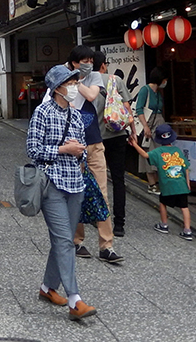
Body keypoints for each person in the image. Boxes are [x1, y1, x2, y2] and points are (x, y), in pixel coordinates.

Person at [26, 65, 97, 320]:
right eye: (70, 82)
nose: (75, 86)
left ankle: (47, 287)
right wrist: (61, 150)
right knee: (65, 240)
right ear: (57, 88)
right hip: (51, 183)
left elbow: (84, 149)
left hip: (76, 183)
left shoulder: (76, 116)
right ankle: (75, 300)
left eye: (76, 82)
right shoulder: (42, 113)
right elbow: (33, 150)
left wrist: (79, 150)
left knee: (63, 239)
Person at [67, 46, 122, 264]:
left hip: (95, 141)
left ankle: (106, 245)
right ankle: (76, 241)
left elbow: (91, 96)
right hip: (73, 144)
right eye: (83, 60)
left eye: (90, 59)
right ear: (73, 62)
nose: (88, 63)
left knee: (102, 193)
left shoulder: (95, 76)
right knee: (76, 193)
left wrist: (76, 80)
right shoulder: (62, 75)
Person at [93, 52, 135, 237]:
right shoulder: (115, 80)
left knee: (96, 180)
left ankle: (99, 218)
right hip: (117, 134)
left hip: (95, 136)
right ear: (103, 64)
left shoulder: (86, 81)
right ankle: (119, 224)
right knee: (118, 179)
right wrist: (133, 131)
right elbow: (127, 108)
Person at [129, 124, 193, 240]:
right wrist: (187, 183)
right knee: (184, 206)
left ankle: (164, 225)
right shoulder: (177, 151)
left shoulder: (158, 152)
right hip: (181, 184)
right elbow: (186, 168)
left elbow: (144, 155)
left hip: (167, 185)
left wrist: (134, 144)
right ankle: (187, 230)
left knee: (163, 203)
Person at [136, 67, 168, 194]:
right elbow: (139, 109)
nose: (166, 82)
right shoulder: (145, 90)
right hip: (149, 124)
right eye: (165, 79)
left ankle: (159, 182)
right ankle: (152, 184)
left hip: (159, 125)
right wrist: (145, 126)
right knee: (149, 153)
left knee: (160, 153)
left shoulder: (158, 93)